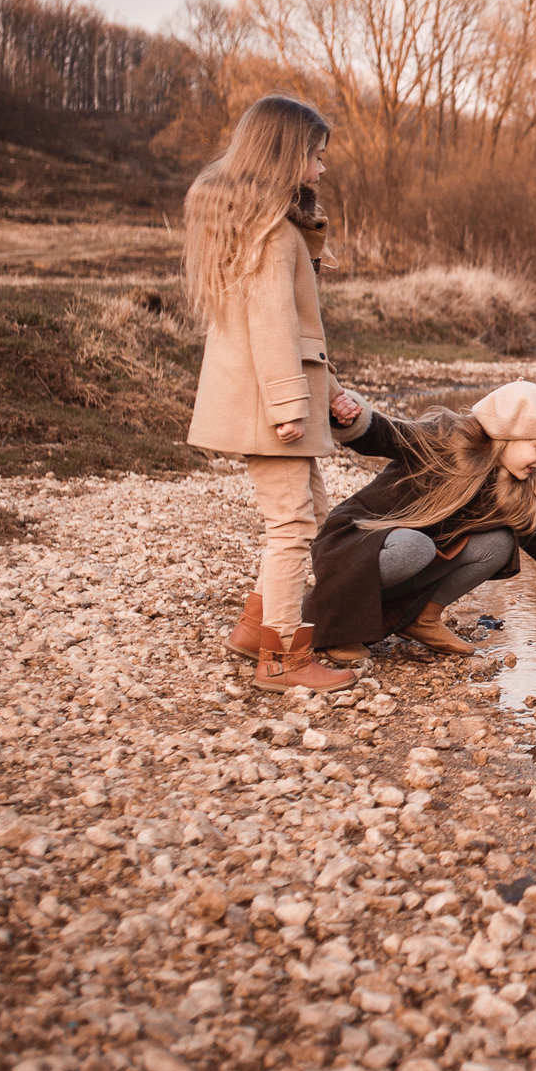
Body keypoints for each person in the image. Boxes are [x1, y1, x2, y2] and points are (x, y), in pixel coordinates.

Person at [182, 93, 372, 693]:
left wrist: (331, 391)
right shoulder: (272, 236)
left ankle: (253, 628)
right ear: (286, 155)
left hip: (275, 398)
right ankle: (284, 659)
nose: (321, 169)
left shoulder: (271, 228)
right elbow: (269, 329)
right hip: (271, 407)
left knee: (309, 513)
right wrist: (292, 406)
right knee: (291, 526)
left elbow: (298, 334)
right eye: (315, 156)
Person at [305, 380, 536, 661]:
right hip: (356, 543)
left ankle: (420, 619)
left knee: (500, 544)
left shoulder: (509, 486)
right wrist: (353, 419)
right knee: (415, 546)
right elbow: (388, 435)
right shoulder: (444, 441)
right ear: (508, 437)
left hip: (408, 553)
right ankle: (334, 622)